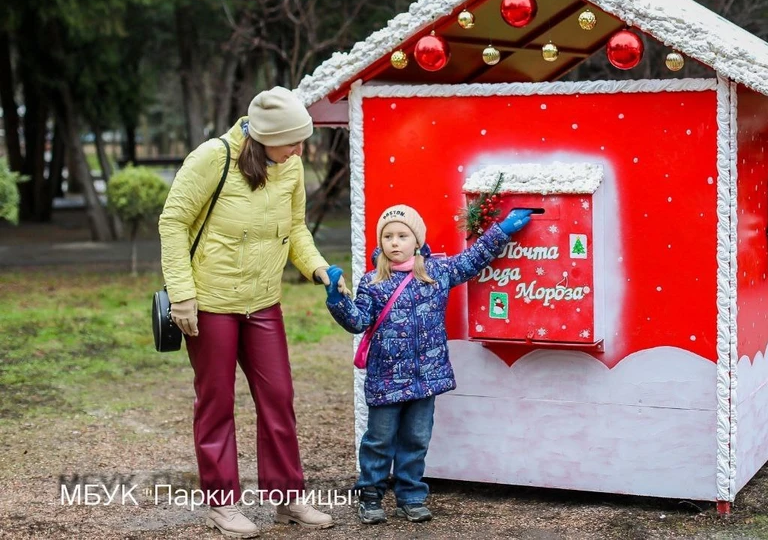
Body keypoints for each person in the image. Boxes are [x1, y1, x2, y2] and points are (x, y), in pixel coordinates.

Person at [159, 86, 347, 538]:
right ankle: (222, 505)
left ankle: (286, 499)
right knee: (216, 403)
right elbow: (173, 221)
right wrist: (182, 294)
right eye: (292, 141)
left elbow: (297, 229)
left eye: (303, 140)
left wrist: (319, 268)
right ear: (263, 137)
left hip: (263, 302)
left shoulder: (292, 166)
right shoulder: (212, 158)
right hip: (210, 304)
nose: (301, 149)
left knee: (279, 398)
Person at [323, 204, 532, 524]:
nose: (395, 242)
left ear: (417, 240)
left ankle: (410, 495)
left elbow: (472, 259)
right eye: (388, 236)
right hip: (387, 379)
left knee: (416, 439)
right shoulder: (373, 282)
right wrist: (338, 301)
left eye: (402, 236)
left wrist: (502, 231)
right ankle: (370, 494)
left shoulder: (437, 272)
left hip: (426, 378)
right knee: (379, 440)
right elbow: (358, 321)